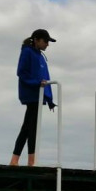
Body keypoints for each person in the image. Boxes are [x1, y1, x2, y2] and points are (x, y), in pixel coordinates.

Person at [10, 29, 56, 166]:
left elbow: (45, 77)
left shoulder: (41, 56)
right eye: (46, 41)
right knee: (31, 128)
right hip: (32, 94)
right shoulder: (27, 52)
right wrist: (36, 83)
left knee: (27, 128)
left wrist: (49, 98)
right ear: (36, 39)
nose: (48, 44)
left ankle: (15, 160)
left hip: (39, 96)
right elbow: (21, 72)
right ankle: (30, 162)